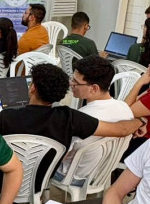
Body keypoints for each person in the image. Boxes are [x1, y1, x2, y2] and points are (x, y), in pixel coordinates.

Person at [0, 63, 144, 193]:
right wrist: (140, 122)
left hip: (3, 182)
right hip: (42, 180)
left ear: (32, 88)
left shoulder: (6, 117)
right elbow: (121, 129)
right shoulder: (71, 117)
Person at [54, 57, 135, 186]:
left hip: (71, 177)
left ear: (94, 88)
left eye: (76, 82)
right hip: (102, 175)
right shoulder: (125, 110)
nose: (71, 84)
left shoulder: (82, 118)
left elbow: (60, 155)